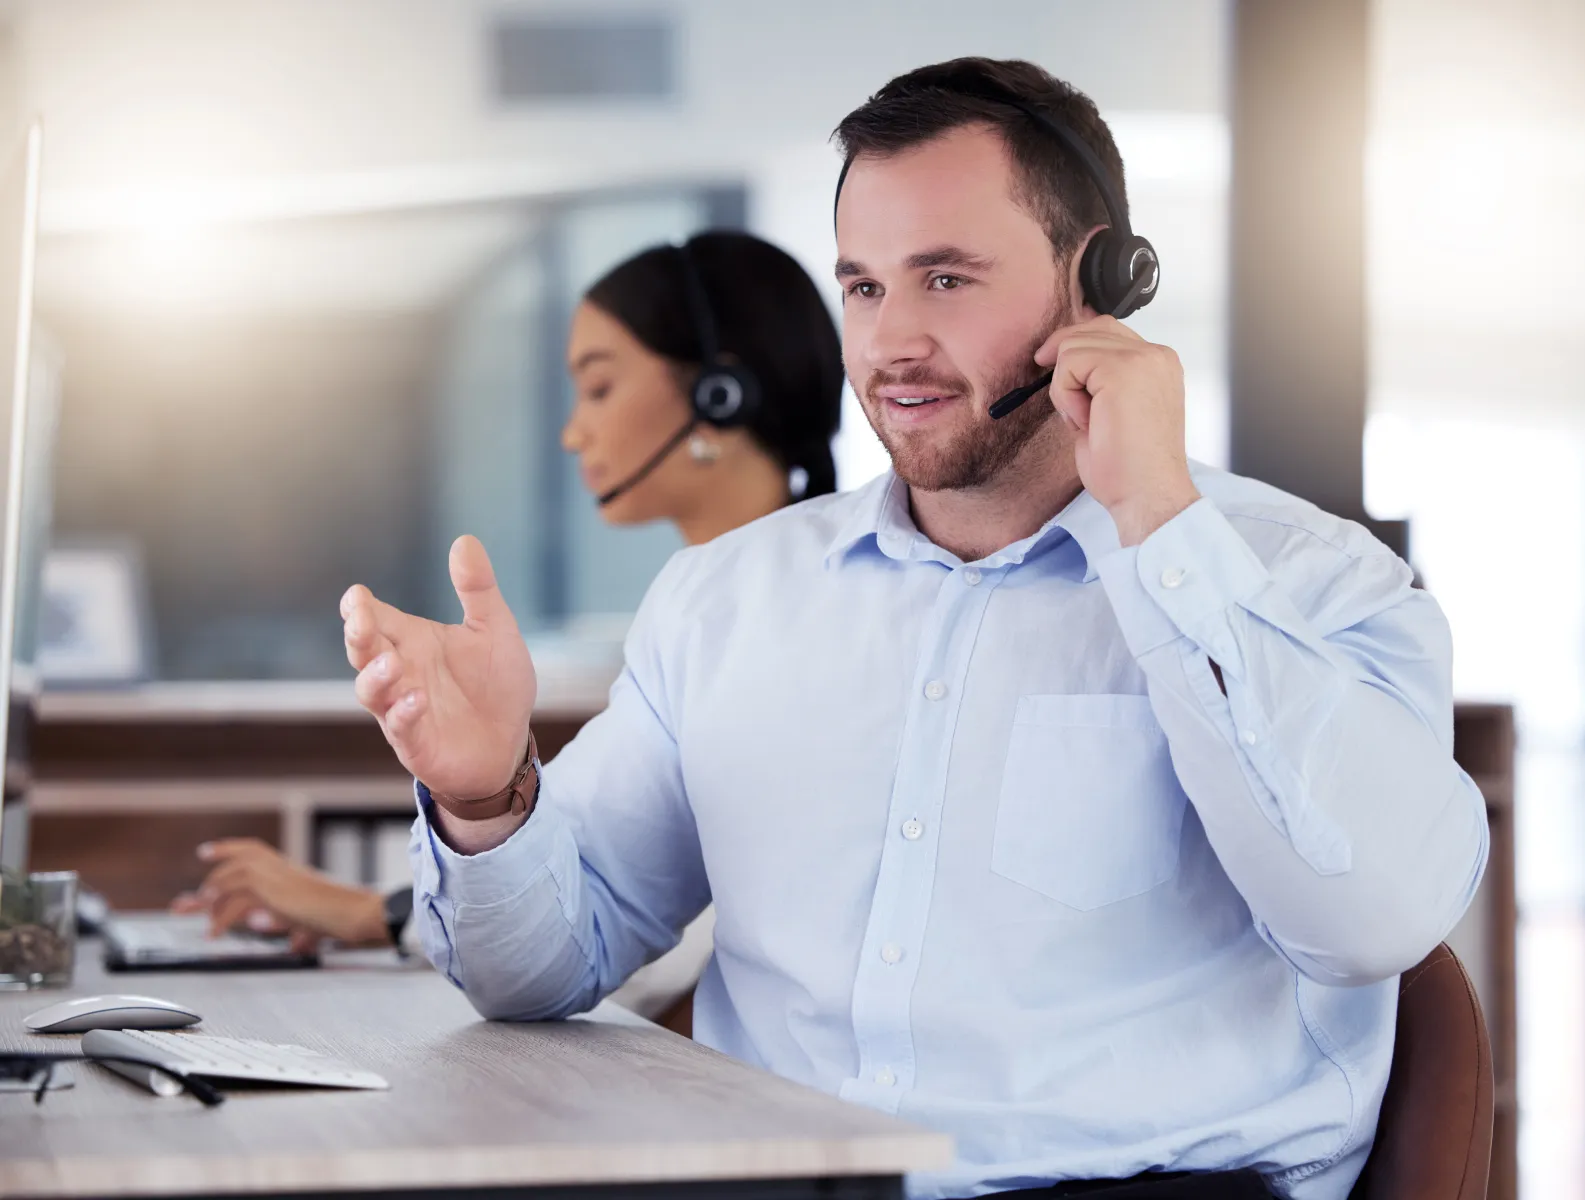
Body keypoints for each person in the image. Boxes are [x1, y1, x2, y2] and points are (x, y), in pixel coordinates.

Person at [339, 58, 1488, 1200]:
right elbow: (538, 969)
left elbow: (1370, 918)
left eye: (944, 280)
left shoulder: (1316, 581)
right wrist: (490, 799)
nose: (889, 345)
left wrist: (1159, 528)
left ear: (1096, 285)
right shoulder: (729, 601)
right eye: (865, 287)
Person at [174, 231, 843, 1025]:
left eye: (598, 388)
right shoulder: (701, 613)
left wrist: (377, 915)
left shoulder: (809, 625)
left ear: (719, 392)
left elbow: (677, 938)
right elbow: (590, 874)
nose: (572, 432)